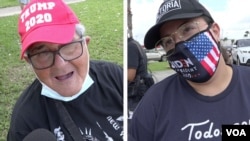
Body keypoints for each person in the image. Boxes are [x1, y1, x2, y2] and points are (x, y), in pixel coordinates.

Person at [129, 0, 250, 140]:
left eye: (187, 29)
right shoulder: (154, 103)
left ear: (215, 31)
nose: (179, 45)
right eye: (168, 41)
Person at [7, 0, 123, 140]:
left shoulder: (115, 76)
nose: (60, 64)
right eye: (42, 53)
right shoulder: (26, 121)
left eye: (68, 46)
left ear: (85, 44)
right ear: (29, 61)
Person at [127, 37, 154, 113]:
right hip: (143, 86)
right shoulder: (135, 43)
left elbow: (130, 76)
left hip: (136, 92)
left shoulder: (130, 46)